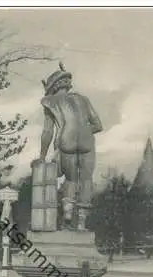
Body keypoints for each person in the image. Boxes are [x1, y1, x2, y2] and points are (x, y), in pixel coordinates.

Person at [37, 62, 103, 229]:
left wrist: (42, 157)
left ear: (52, 87)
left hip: (66, 141)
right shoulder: (84, 99)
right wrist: (85, 131)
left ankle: (67, 215)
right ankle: (81, 222)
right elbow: (98, 125)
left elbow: (47, 132)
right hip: (87, 142)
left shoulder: (49, 101)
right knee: (86, 180)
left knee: (71, 179)